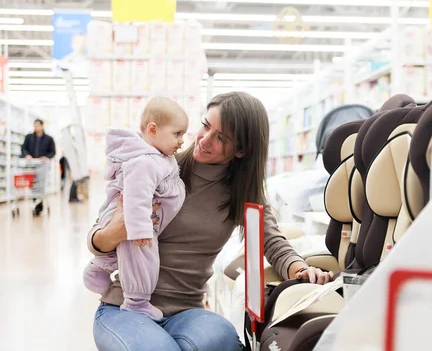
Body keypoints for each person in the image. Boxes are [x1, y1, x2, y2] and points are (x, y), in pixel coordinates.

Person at [88, 92, 334, 351]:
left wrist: (300, 269)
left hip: (187, 312)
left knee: (226, 340)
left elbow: (271, 241)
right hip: (125, 307)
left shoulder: (242, 193)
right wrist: (114, 232)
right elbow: (95, 238)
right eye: (205, 125)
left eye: (221, 137)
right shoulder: (157, 168)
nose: (204, 139)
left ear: (241, 150)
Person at [83, 97, 189, 321]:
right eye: (177, 134)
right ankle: (136, 302)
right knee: (143, 260)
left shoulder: (157, 157)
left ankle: (97, 270)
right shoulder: (144, 162)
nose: (182, 141)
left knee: (127, 254)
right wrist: (140, 230)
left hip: (137, 221)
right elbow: (136, 198)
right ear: (153, 130)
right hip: (135, 223)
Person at [21, 118, 56, 215]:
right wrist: (27, 155)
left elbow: (52, 152)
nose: (35, 127)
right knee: (33, 186)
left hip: (43, 166)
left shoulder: (49, 139)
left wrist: (46, 157)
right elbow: (23, 148)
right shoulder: (29, 137)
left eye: (37, 125)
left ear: (42, 126)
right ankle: (35, 204)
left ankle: (39, 206)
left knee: (41, 186)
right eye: (34, 125)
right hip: (31, 166)